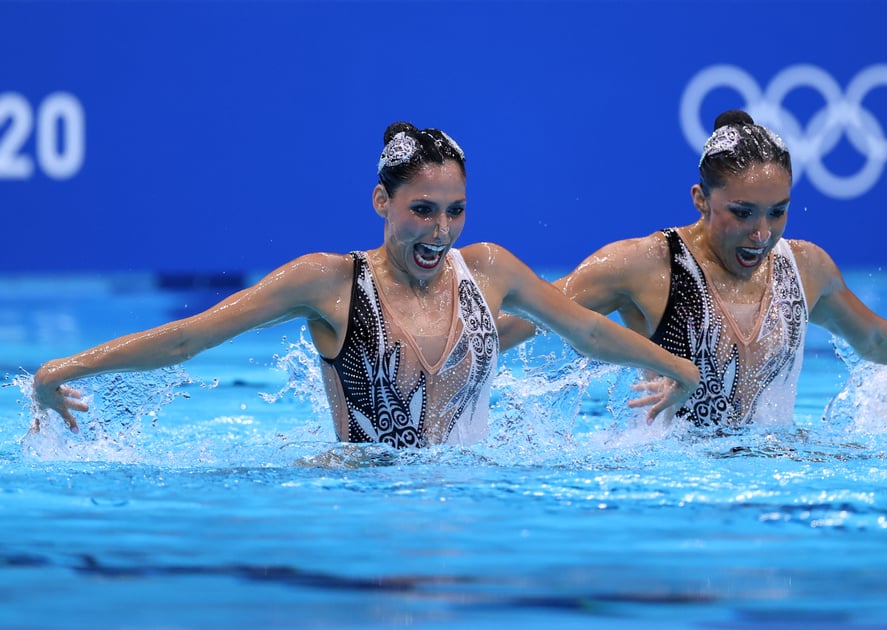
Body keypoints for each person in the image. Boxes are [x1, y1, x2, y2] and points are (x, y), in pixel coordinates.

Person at [31, 122, 700, 448]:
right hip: (360, 500)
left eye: (455, 210)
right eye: (422, 210)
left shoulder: (490, 268)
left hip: (475, 503)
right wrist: (64, 368)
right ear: (382, 202)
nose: (441, 231)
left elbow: (583, 329)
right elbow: (188, 338)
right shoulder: (328, 282)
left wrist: (677, 368)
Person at [498, 110, 887, 429]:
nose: (762, 233)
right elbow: (526, 317)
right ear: (700, 199)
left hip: (771, 472)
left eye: (778, 212)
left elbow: (872, 338)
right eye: (742, 213)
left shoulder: (806, 267)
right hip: (667, 482)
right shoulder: (645, 265)